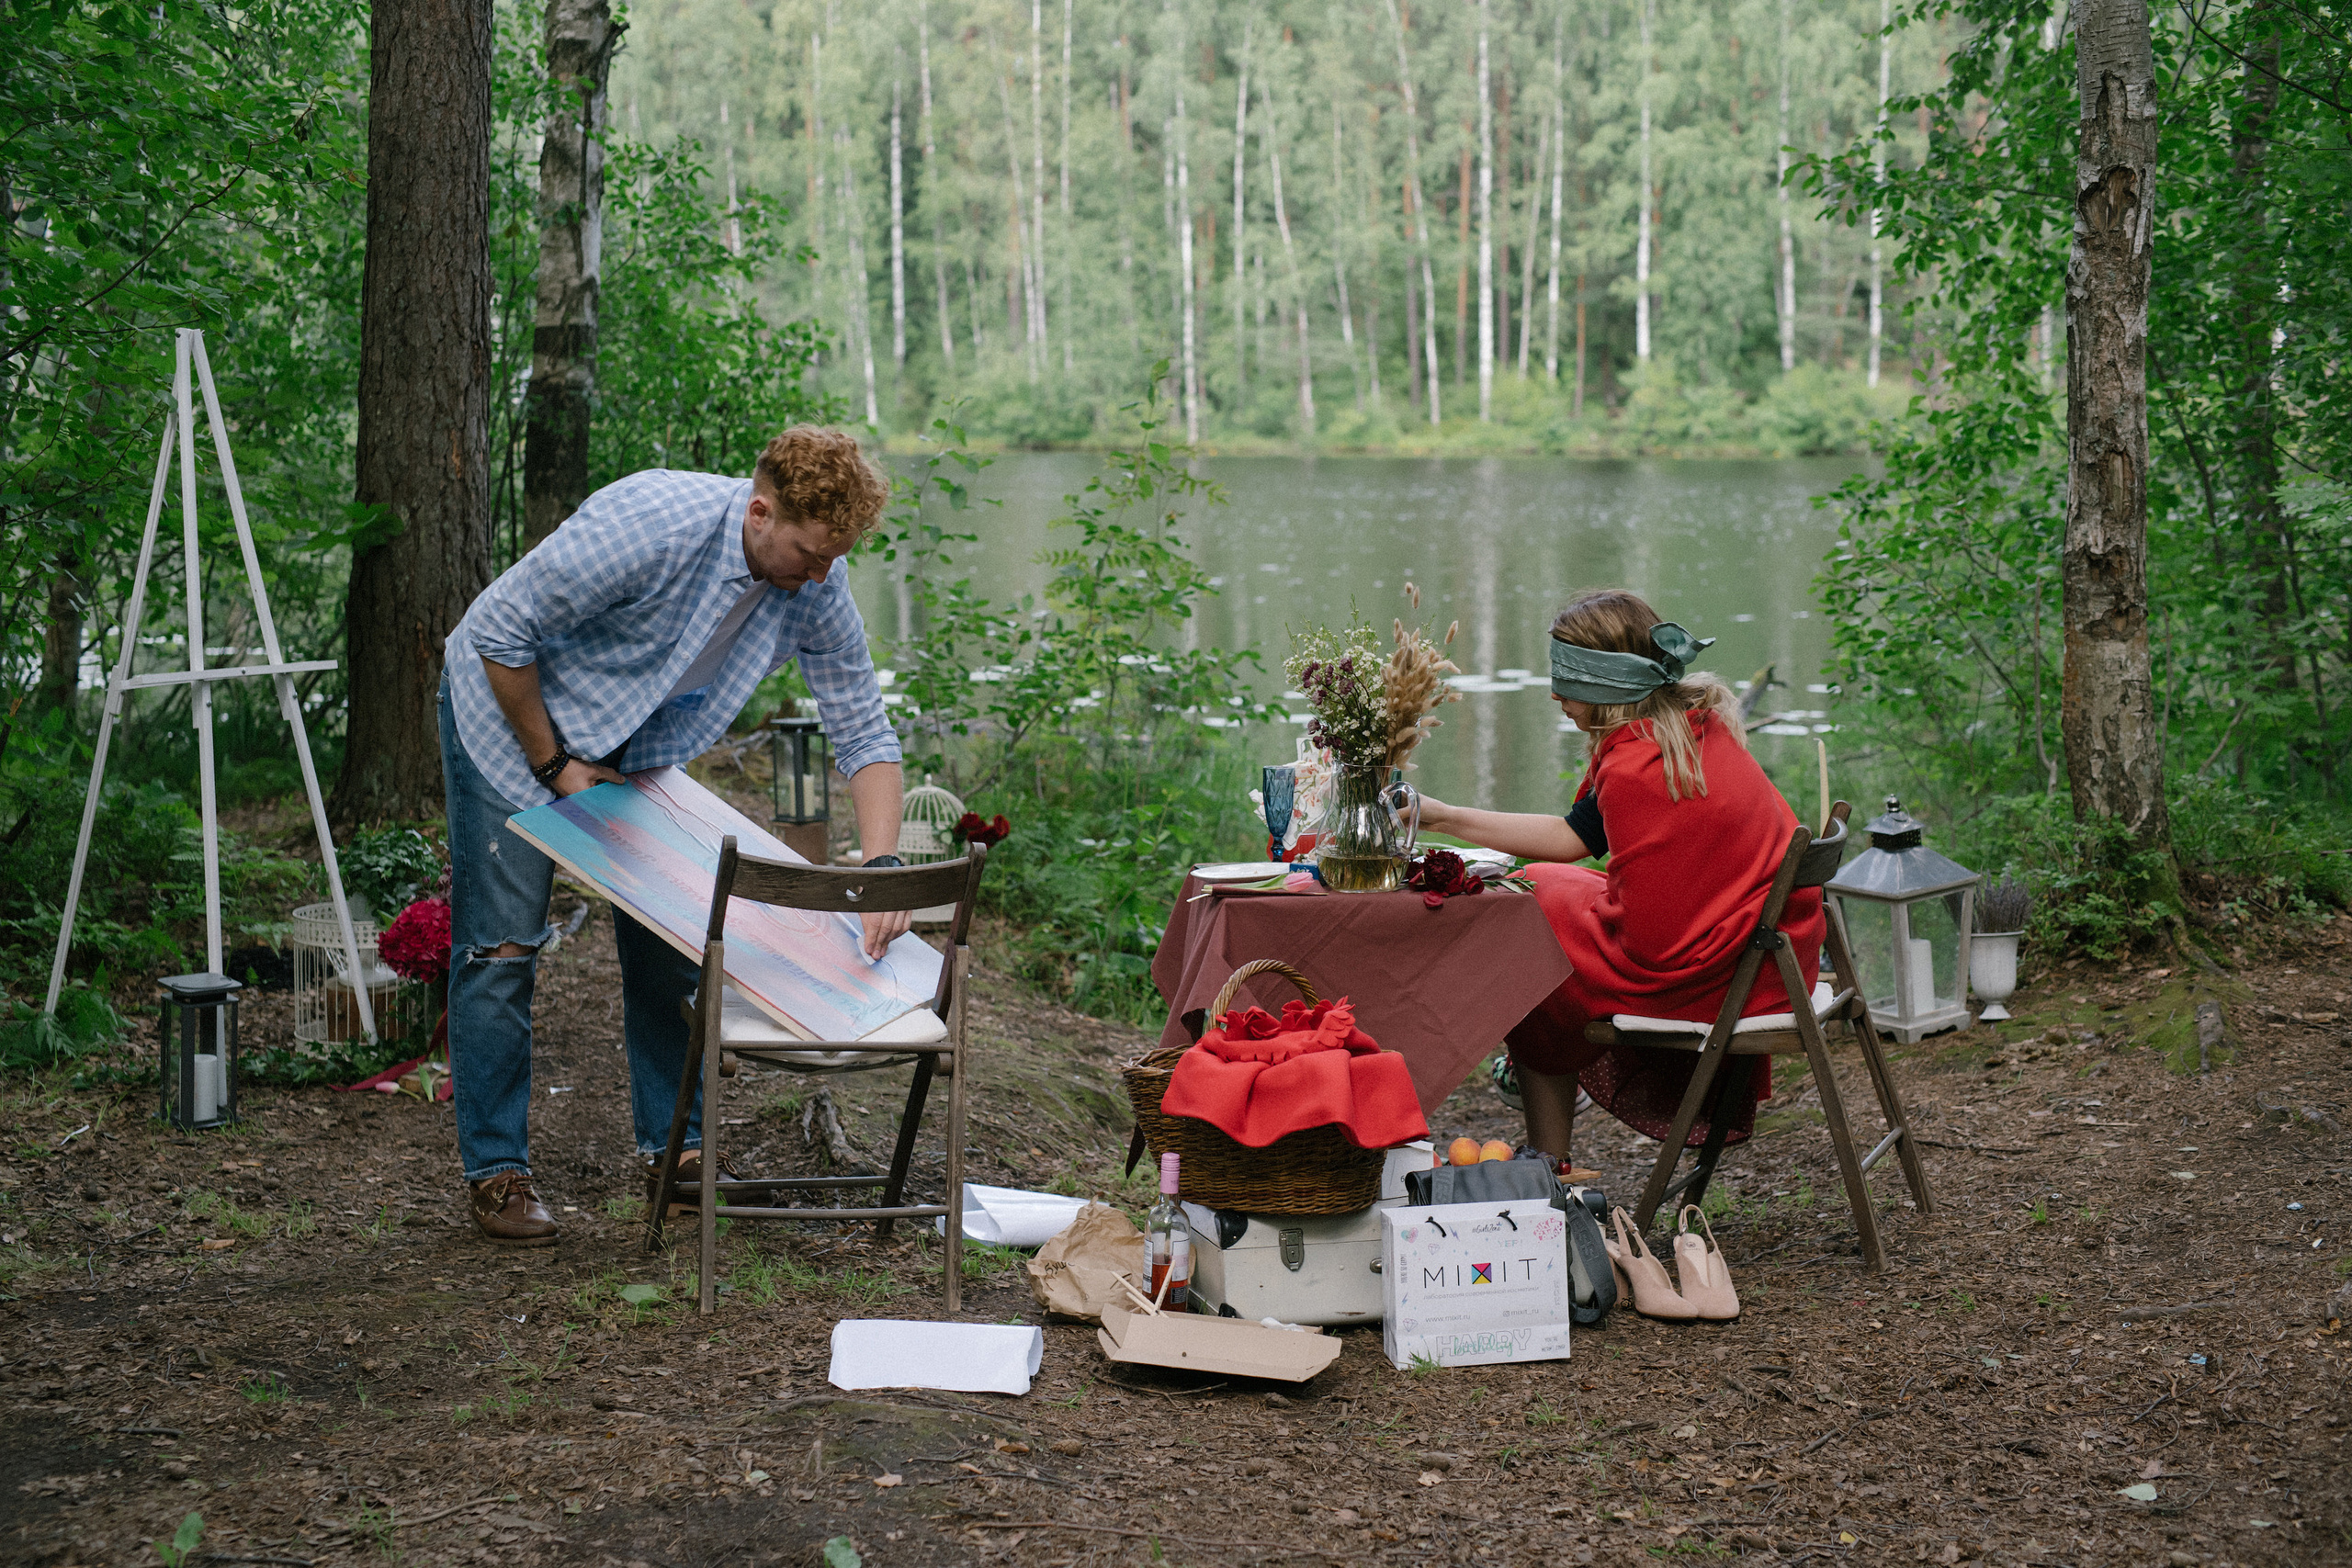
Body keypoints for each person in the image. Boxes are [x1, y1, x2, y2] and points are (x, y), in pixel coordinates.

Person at [437, 426, 909, 1246]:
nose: (823, 573)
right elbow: (498, 635)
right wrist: (555, 767)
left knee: (671, 942)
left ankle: (678, 1152)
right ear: (760, 513)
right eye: (810, 552)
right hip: (509, 719)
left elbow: (864, 731)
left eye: (836, 556)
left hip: (633, 745)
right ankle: (496, 1169)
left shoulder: (815, 585)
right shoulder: (651, 522)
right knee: (502, 947)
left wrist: (884, 864)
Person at [1411, 588, 1823, 1168]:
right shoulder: (1689, 728)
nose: (1556, 694)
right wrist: (1445, 816)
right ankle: (1548, 1131)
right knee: (1535, 888)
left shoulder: (1637, 767)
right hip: (1770, 955)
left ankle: (1546, 1155)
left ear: (1606, 684)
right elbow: (1575, 839)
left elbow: (1653, 947)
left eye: (1568, 680)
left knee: (1526, 945)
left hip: (1720, 973)